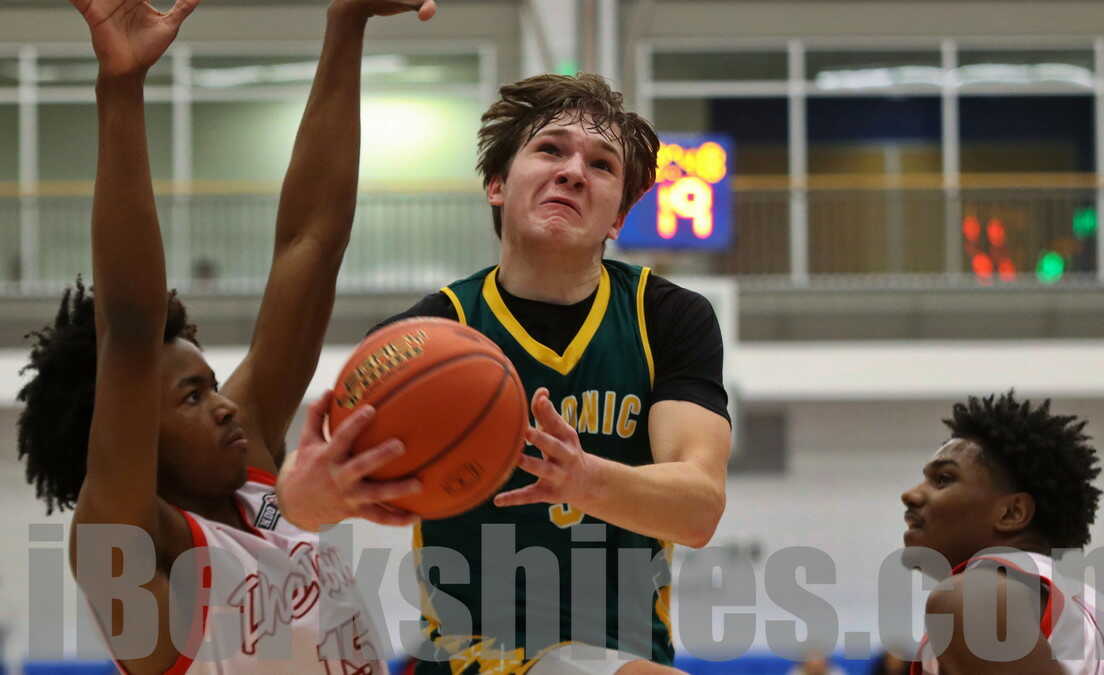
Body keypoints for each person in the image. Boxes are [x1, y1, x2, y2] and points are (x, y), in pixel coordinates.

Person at [15, 0, 437, 672]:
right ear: (130, 433)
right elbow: (129, 332)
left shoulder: (256, 482)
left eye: (211, 386)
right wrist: (121, 91)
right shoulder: (129, 553)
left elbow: (311, 243)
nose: (225, 406)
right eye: (191, 397)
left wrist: (347, 22)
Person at [278, 74, 733, 674]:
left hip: (628, 655)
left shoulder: (667, 317)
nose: (573, 171)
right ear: (497, 184)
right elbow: (302, 502)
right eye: (550, 149)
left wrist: (583, 480)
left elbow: (700, 509)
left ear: (618, 218)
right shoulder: (428, 335)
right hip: (472, 660)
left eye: (601, 165)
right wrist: (312, 493)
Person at [900, 392, 1104, 674]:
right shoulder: (1097, 613)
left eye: (943, 479)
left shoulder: (973, 598)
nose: (911, 494)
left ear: (1012, 513)